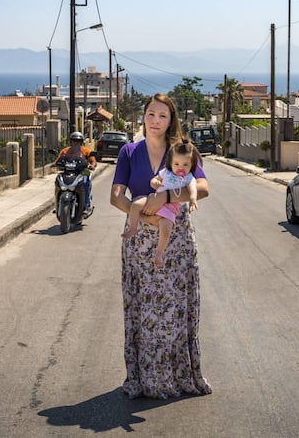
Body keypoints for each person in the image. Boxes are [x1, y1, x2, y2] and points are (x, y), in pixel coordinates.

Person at [110, 92, 212, 400]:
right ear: (143, 116)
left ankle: (178, 375)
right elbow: (116, 196)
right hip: (139, 241)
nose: (156, 121)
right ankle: (146, 378)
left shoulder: (180, 150)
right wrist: (146, 217)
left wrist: (167, 197)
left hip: (177, 241)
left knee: (175, 311)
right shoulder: (129, 151)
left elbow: (203, 188)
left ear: (171, 121)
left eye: (163, 116)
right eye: (151, 114)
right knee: (144, 310)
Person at [121, 138, 201, 268]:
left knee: (165, 228)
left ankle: (159, 253)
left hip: (169, 207)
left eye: (185, 165)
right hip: (153, 198)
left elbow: (193, 188)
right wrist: (155, 182)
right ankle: (133, 228)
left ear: (191, 165)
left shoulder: (188, 177)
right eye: (177, 164)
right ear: (171, 162)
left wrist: (193, 199)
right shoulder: (166, 172)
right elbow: (154, 180)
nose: (180, 168)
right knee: (135, 205)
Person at [52, 131, 96, 214]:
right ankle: (58, 204)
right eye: (74, 141)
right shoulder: (65, 151)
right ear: (71, 142)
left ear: (81, 142)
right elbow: (58, 160)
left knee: (86, 182)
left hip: (82, 171)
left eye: (78, 141)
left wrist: (92, 166)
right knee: (58, 181)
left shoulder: (85, 151)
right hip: (67, 171)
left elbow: (93, 161)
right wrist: (54, 164)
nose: (76, 143)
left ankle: (86, 206)